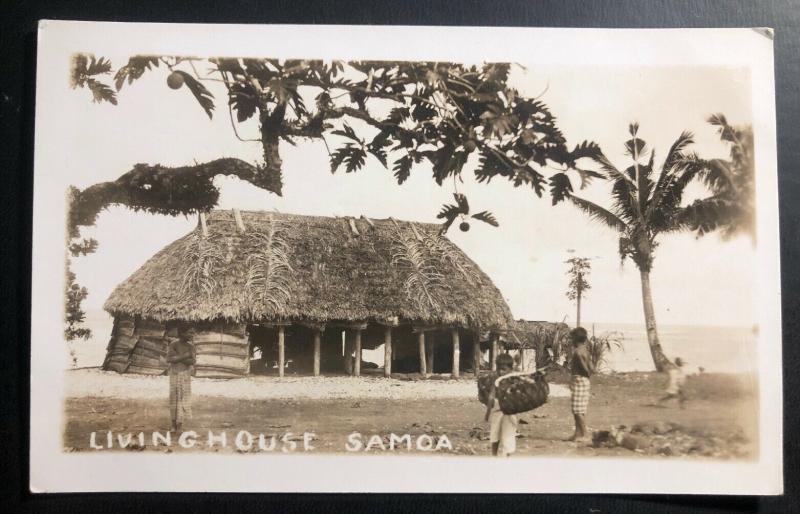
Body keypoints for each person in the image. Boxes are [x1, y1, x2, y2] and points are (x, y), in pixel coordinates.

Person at [484, 353, 519, 457]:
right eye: (499, 369)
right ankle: (495, 455)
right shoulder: (500, 381)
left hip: (509, 411)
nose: (500, 372)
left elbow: (519, 396)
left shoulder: (513, 381)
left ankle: (503, 456)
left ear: (510, 369)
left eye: (503, 369)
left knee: (506, 434)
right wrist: (488, 412)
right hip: (500, 409)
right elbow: (491, 397)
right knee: (496, 434)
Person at [568, 327, 594, 442]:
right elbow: (592, 367)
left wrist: (581, 375)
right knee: (579, 409)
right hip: (582, 381)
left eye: (572, 338)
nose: (571, 341)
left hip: (580, 380)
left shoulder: (578, 352)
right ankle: (577, 434)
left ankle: (585, 434)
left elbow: (586, 369)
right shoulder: (585, 350)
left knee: (577, 411)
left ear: (576, 339)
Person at [167, 328, 197, 432]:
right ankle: (173, 424)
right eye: (189, 332)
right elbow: (169, 359)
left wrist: (178, 358)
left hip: (185, 375)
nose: (192, 335)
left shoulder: (191, 346)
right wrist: (185, 356)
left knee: (183, 399)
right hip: (174, 374)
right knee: (174, 399)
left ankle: (180, 424)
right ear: (182, 333)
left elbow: (192, 361)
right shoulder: (173, 344)